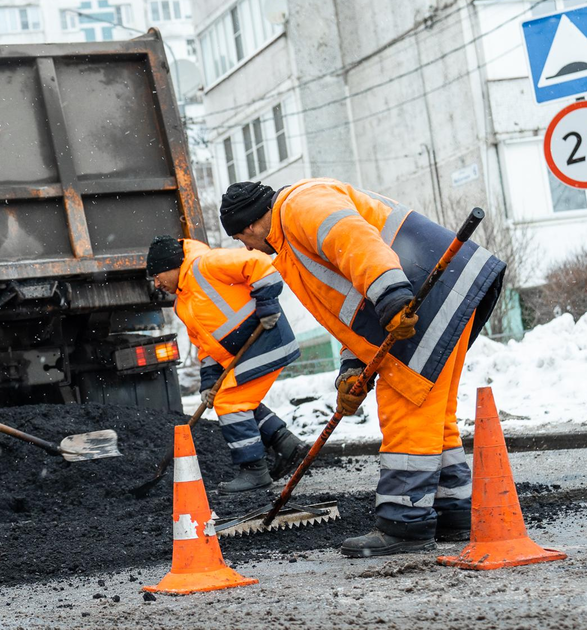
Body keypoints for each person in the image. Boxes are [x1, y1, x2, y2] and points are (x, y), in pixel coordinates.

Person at [220, 178, 505, 556]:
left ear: (251, 225)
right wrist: (351, 370)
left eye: (242, 239)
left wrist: (391, 296)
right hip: (437, 294)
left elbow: (356, 240)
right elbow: (349, 310)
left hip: (422, 297)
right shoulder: (292, 235)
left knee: (405, 406)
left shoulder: (298, 207)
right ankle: (453, 508)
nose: (247, 248)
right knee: (432, 413)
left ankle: (405, 523)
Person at [146, 235, 307, 493]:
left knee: (231, 402)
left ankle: (254, 471)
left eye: (157, 275)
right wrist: (208, 383)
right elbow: (205, 347)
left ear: (172, 265)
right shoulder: (182, 304)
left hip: (267, 339)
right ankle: (286, 444)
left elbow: (259, 263)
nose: (156, 283)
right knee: (229, 395)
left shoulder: (206, 264)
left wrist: (267, 306)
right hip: (246, 353)